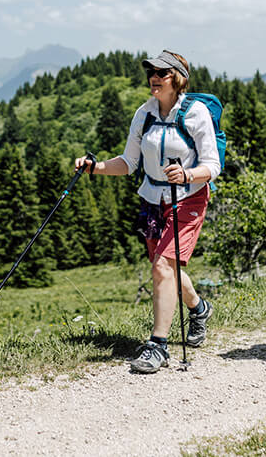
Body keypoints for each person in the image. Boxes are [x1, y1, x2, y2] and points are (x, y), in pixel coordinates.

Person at [75, 50, 220, 373]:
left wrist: (187, 175)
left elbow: (213, 165)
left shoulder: (195, 114)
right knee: (163, 268)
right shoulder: (144, 114)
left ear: (178, 78)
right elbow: (128, 163)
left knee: (162, 269)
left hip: (188, 198)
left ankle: (158, 345)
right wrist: (93, 168)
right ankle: (198, 310)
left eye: (162, 72)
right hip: (152, 198)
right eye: (151, 72)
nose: (154, 77)